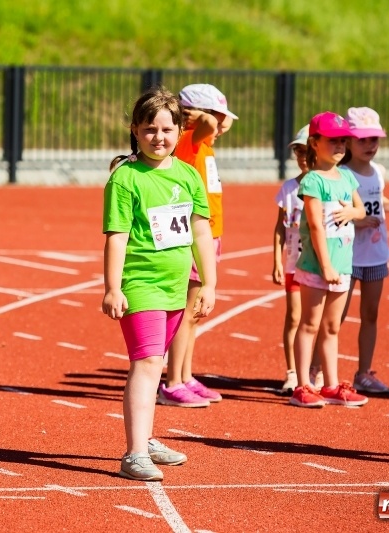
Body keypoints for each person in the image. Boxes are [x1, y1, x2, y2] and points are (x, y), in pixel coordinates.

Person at [102, 87, 217, 481]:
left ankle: (145, 438)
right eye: (150, 129)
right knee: (148, 362)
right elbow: (116, 236)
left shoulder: (187, 175)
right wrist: (113, 287)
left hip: (175, 287)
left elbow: (201, 232)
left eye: (167, 129)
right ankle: (135, 453)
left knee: (157, 362)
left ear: (180, 131)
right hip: (140, 284)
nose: (158, 137)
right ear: (135, 130)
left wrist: (209, 283)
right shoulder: (125, 179)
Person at [158, 83, 237, 407]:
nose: (222, 125)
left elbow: (214, 124)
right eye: (217, 117)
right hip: (192, 237)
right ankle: (172, 382)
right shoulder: (188, 140)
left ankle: (185, 375)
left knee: (194, 315)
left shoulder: (205, 147)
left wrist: (213, 117)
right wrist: (194, 116)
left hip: (210, 234)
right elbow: (207, 124)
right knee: (186, 312)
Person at [289, 112, 367, 408]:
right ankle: (302, 386)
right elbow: (315, 226)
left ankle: (332, 385)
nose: (339, 146)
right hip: (317, 267)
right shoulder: (312, 181)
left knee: (332, 327)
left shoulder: (347, 176)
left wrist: (352, 213)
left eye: (343, 141)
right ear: (314, 143)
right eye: (333, 140)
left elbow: (361, 210)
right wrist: (325, 266)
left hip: (342, 265)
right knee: (309, 325)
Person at [338, 107, 389, 394]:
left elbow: (378, 200)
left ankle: (363, 373)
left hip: (375, 255)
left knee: (370, 314)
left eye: (374, 139)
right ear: (348, 141)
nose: (370, 145)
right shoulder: (342, 174)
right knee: (336, 317)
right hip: (347, 255)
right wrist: (357, 220)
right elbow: (336, 210)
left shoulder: (378, 172)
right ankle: (317, 368)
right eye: (362, 140)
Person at [272, 125, 310, 394]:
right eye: (298, 152)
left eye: (307, 151)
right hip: (294, 264)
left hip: (319, 266)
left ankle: (315, 371)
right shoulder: (288, 189)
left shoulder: (326, 187)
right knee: (294, 316)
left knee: (317, 320)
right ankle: (292, 372)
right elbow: (279, 228)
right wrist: (276, 260)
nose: (302, 157)